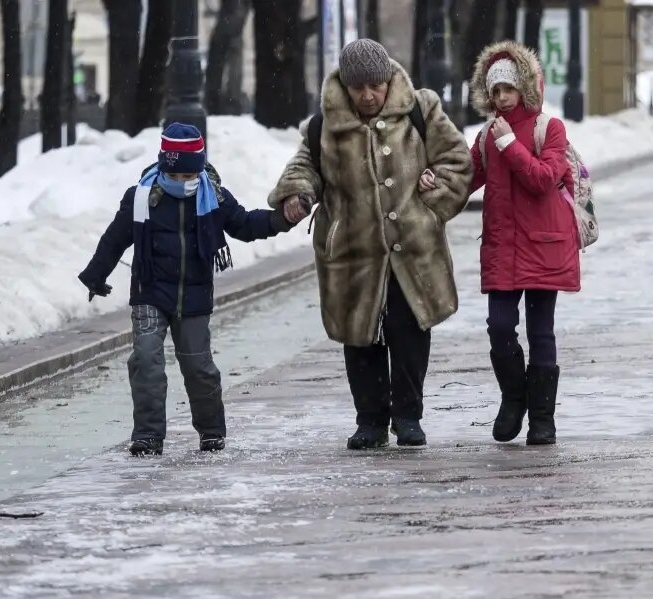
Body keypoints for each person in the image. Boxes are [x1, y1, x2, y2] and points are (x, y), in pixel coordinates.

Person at [269, 39, 472, 450]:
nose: (367, 95)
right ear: (345, 86)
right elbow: (304, 165)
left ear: (387, 80)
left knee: (408, 328)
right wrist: (298, 193)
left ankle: (408, 416)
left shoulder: (421, 109)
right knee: (360, 335)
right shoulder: (323, 125)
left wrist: (431, 206)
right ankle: (370, 421)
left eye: (375, 86)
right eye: (358, 87)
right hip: (352, 250)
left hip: (412, 246)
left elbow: (457, 160)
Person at [78, 123, 302, 456]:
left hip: (194, 297)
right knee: (145, 361)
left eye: (190, 176)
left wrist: (281, 219)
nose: (184, 183)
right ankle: (148, 434)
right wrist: (95, 275)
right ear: (165, 167)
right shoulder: (141, 198)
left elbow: (244, 224)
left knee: (199, 368)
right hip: (150, 293)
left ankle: (211, 430)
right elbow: (114, 239)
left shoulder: (213, 196)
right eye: (177, 176)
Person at [469, 41, 580, 445]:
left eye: (508, 89)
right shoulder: (487, 134)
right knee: (499, 328)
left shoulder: (548, 129)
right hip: (502, 246)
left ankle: (543, 420)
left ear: (525, 89)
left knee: (541, 331)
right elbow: (464, 178)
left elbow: (542, 179)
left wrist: (508, 145)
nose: (501, 98)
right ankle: (514, 398)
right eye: (495, 90)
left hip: (543, 245)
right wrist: (432, 182)